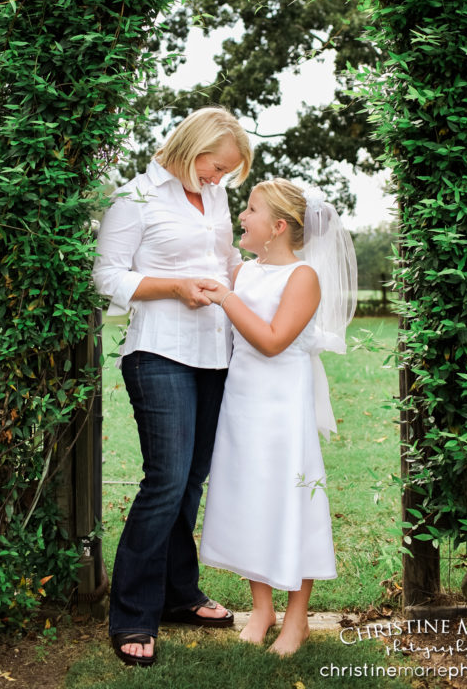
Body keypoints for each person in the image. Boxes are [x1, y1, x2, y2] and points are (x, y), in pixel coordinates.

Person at [92, 107, 253, 667]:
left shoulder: (213, 197)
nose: (220, 178)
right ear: (190, 147)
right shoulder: (136, 198)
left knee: (191, 482)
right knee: (165, 481)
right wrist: (174, 286)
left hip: (218, 352)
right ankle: (133, 614)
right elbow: (107, 274)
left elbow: (225, 259)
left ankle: (179, 593)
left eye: (228, 173)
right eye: (216, 166)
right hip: (159, 352)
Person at [199, 178, 357, 655]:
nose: (242, 217)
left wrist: (225, 298)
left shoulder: (303, 277)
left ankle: (296, 619)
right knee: (249, 497)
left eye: (251, 210)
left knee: (290, 500)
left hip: (283, 405)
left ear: (278, 227)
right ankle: (262, 608)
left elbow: (271, 341)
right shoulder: (245, 273)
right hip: (242, 402)